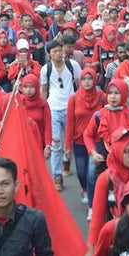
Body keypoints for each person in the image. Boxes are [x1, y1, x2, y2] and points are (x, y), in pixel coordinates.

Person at [40, 40, 81, 190]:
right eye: (54, 51)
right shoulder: (46, 69)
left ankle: (66, 161)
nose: (58, 53)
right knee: (55, 143)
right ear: (49, 54)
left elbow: (80, 83)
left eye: (59, 50)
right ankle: (57, 176)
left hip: (71, 107)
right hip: (53, 108)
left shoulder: (72, 65)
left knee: (70, 139)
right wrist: (42, 108)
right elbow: (44, 90)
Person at [66, 69, 105, 216]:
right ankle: (85, 190)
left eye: (90, 78)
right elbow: (70, 123)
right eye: (84, 79)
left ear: (94, 80)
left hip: (97, 141)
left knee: (91, 173)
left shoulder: (102, 97)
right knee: (81, 173)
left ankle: (92, 205)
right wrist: (68, 146)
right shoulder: (74, 98)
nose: (87, 81)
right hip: (79, 141)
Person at [19, 74, 51, 155]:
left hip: (39, 143)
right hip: (22, 143)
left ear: (36, 87)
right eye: (25, 87)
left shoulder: (43, 104)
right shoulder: (18, 103)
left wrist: (48, 145)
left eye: (31, 87)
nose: (28, 90)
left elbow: (47, 126)